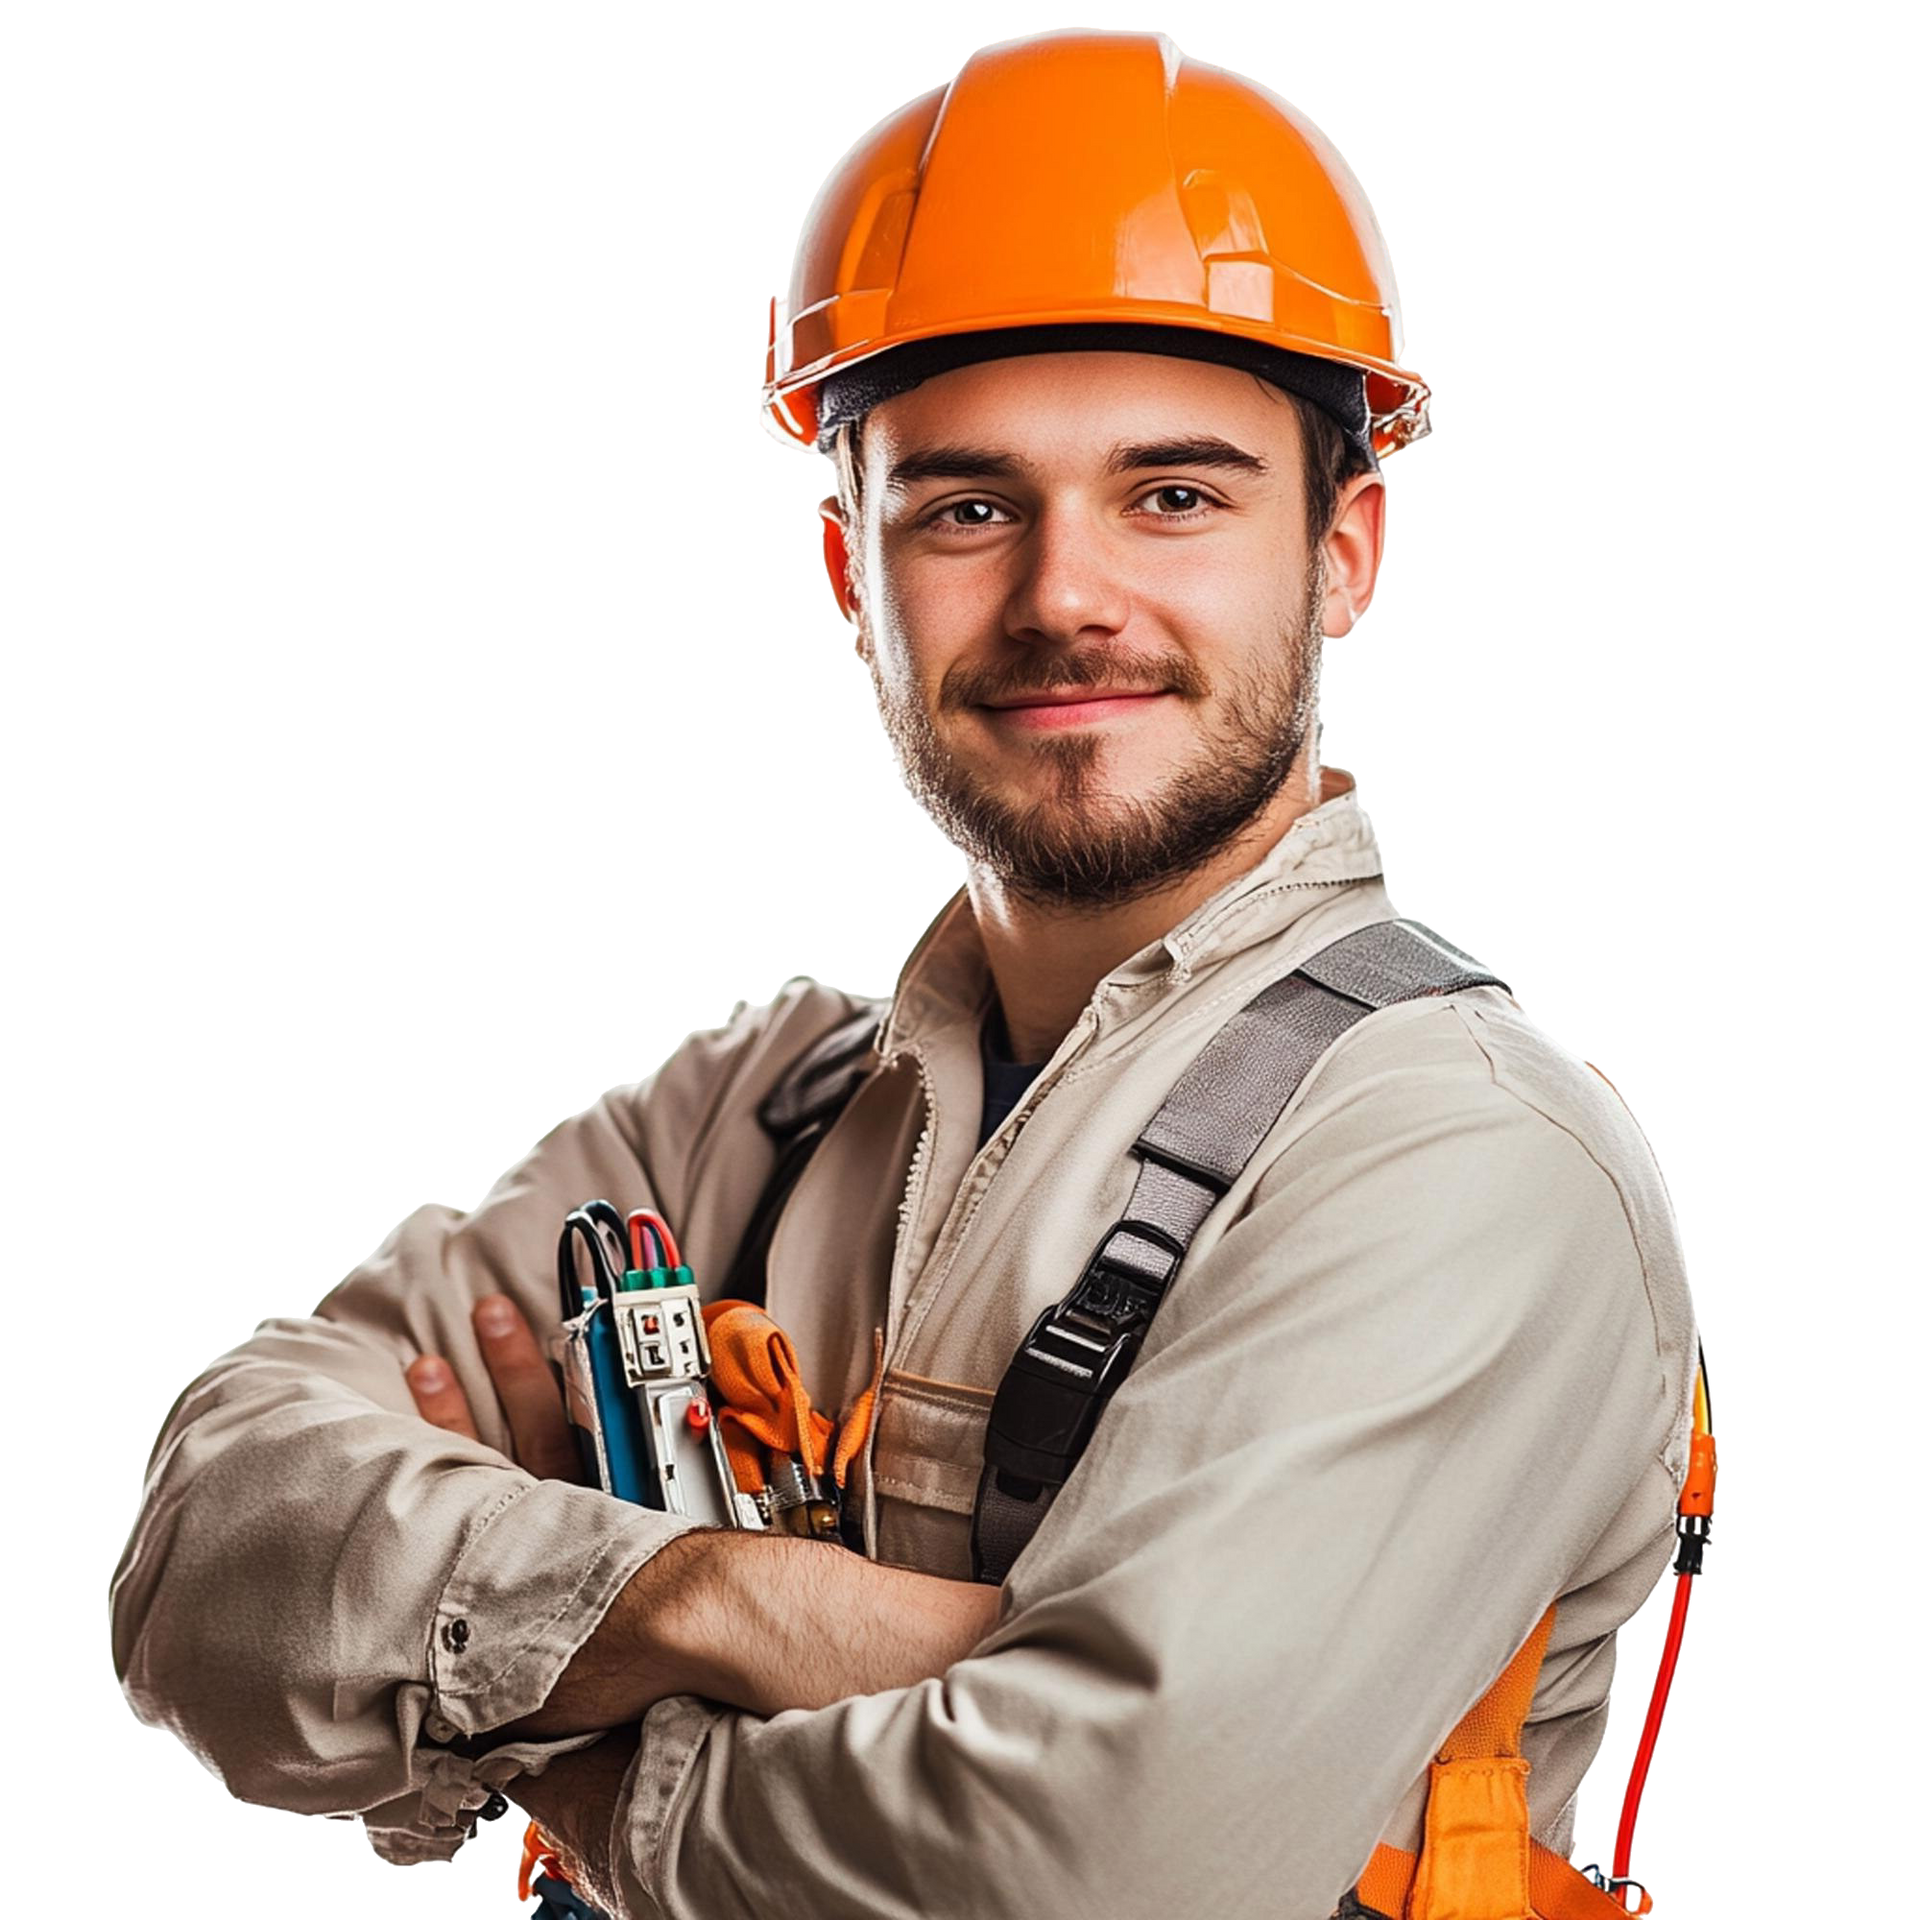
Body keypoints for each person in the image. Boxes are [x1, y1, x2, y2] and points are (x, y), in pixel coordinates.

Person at [109, 28, 1701, 1919]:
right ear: (852, 574)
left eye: (1173, 496)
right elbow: (208, 1556)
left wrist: (551, 1731)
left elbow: (1097, 1867)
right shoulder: (757, 1113)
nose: (1062, 596)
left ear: (1343, 548)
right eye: (965, 506)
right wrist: (707, 1597)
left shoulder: (1458, 1163)